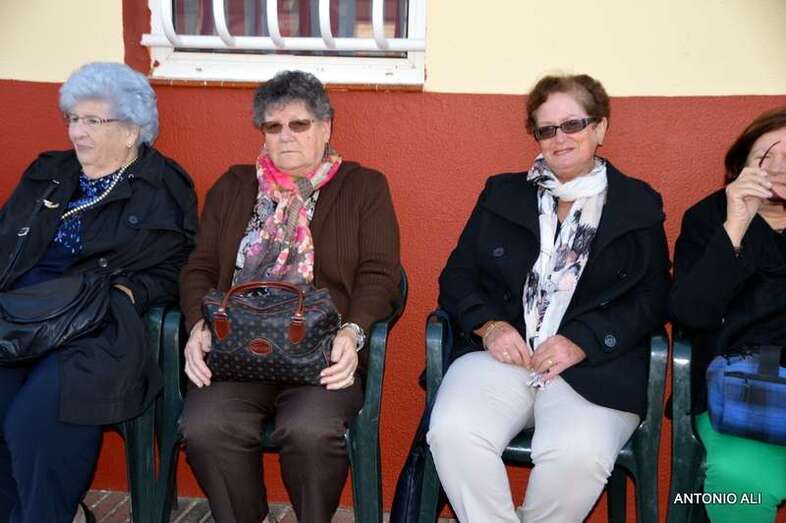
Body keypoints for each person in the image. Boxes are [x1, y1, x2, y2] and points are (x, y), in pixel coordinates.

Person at [427, 74, 670, 522]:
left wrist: (583, 341)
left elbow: (653, 298)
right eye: (547, 129)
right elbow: (457, 277)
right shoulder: (501, 194)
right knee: (453, 432)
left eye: (573, 124)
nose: (561, 138)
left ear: (600, 127)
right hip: (505, 358)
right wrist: (490, 326)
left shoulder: (637, 204)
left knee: (577, 455)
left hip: (596, 368)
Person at [179, 70, 400, 523]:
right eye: (273, 126)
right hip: (237, 351)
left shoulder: (364, 187)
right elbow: (198, 267)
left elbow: (380, 273)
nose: (285, 136)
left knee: (310, 431)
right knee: (204, 427)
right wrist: (198, 325)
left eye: (299, 124)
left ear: (325, 127)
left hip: (320, 355)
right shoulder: (234, 186)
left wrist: (353, 332)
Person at [0, 62, 197, 523]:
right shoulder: (48, 173)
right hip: (18, 316)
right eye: (73, 118)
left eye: (93, 120)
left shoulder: (161, 186)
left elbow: (178, 265)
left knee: (36, 419)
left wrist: (131, 292)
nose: (77, 132)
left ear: (130, 132)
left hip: (94, 325)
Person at [669, 107, 786, 523]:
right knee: (741, 484)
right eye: (766, 156)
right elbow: (691, 314)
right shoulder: (709, 218)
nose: (780, 168)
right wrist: (735, 225)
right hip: (745, 390)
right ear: (740, 167)